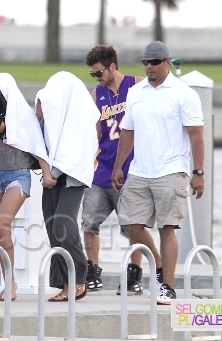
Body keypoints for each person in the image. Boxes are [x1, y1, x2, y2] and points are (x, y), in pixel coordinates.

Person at [111, 41, 205, 305]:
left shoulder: (183, 93)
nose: (149, 67)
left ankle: (168, 286)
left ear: (166, 63)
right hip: (139, 170)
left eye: (154, 62)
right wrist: (119, 166)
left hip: (172, 170)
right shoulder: (136, 92)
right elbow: (127, 132)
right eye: (145, 62)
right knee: (129, 224)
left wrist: (198, 172)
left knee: (167, 228)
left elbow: (196, 136)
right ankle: (160, 263)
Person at [82, 45, 162, 295]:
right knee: (88, 221)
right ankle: (92, 271)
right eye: (92, 74)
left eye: (99, 73)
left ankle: (133, 275)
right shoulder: (98, 93)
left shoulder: (137, 86)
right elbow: (95, 131)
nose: (96, 78)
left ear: (112, 67)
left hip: (131, 170)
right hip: (102, 169)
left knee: (132, 226)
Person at [0, 73, 54, 301]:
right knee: (0, 231)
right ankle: (10, 283)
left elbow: (36, 146)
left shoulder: (23, 115)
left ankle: (11, 284)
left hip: (17, 176)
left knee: (2, 223)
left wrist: (47, 174)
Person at [35, 71, 100, 302]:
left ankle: (80, 276)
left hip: (71, 175)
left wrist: (51, 173)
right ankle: (64, 282)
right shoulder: (51, 114)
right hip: (52, 175)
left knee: (64, 222)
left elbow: (72, 152)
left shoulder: (77, 118)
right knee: (53, 227)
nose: (44, 104)